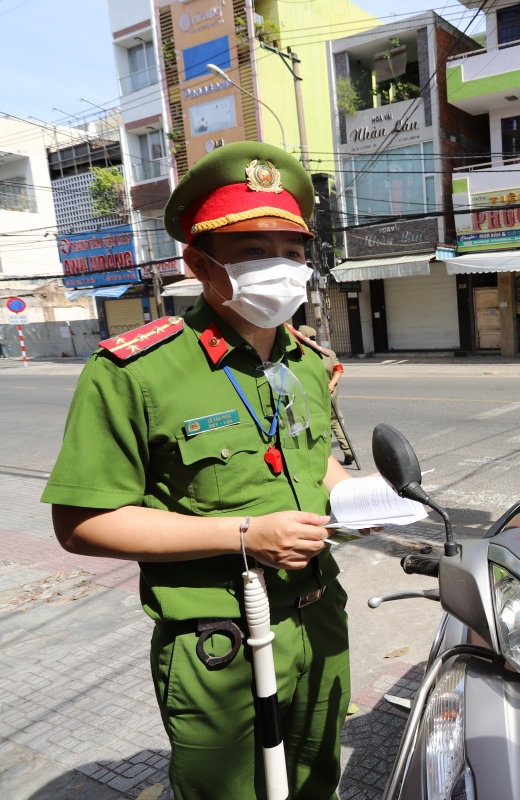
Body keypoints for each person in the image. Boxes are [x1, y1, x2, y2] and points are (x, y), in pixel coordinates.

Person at [43, 142, 356, 800]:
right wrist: (244, 536)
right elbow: (82, 522)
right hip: (221, 642)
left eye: (294, 252)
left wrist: (370, 501)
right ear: (198, 262)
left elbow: (311, 459)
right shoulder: (137, 369)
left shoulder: (307, 362)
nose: (283, 268)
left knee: (315, 783)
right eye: (254, 252)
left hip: (321, 616)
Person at [298, 324, 354, 466]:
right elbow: (339, 370)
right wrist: (331, 385)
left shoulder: (304, 354)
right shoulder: (327, 352)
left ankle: (325, 457)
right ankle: (348, 451)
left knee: (320, 423)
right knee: (336, 420)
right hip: (331, 391)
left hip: (314, 393)